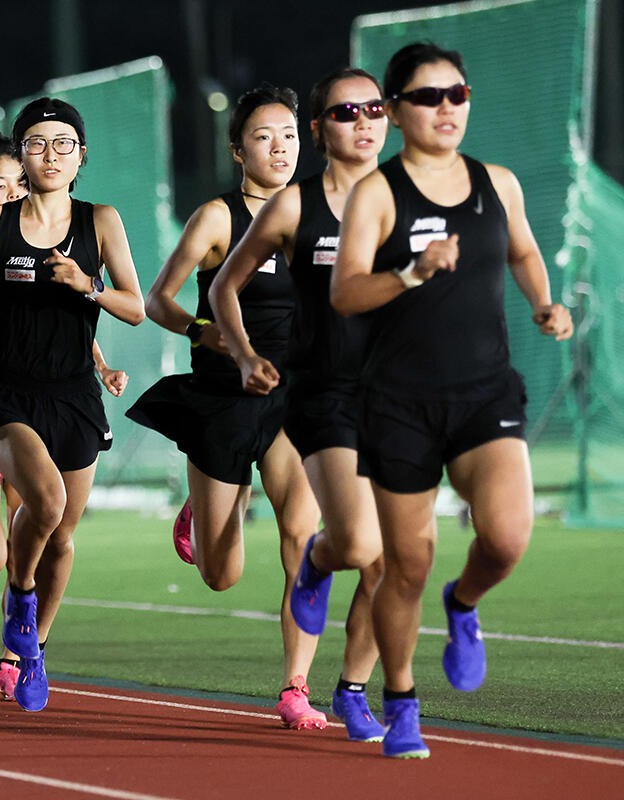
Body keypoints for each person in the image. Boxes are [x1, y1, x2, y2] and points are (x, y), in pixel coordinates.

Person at [331, 42, 572, 759]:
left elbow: (523, 251)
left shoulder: (497, 183)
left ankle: (463, 603)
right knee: (406, 565)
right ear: (396, 110)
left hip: (483, 391)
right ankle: (402, 700)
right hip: (399, 403)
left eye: (457, 94)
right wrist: (412, 272)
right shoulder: (378, 193)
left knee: (507, 537)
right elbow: (346, 292)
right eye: (428, 97)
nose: (446, 108)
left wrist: (544, 302)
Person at [0, 98, 145, 712]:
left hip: (73, 394)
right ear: (21, 155)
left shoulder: (100, 221)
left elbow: (136, 307)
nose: (50, 155)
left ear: (81, 156)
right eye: (37, 144)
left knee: (63, 534)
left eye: (62, 144)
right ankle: (20, 599)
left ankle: (34, 649)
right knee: (44, 502)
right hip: (5, 392)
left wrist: (88, 286)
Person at [125, 85, 330, 730]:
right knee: (222, 575)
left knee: (303, 536)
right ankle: (208, 505)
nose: (280, 148)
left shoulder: (321, 213)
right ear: (238, 150)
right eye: (264, 137)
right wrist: (202, 332)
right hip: (224, 398)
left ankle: (296, 687)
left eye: (289, 135)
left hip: (295, 397)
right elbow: (158, 299)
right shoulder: (218, 218)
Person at [209, 68, 391, 743]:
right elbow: (220, 288)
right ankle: (301, 554)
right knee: (349, 544)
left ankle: (344, 688)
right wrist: (240, 352)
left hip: (393, 398)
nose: (363, 122)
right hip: (315, 395)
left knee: (393, 562)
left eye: (375, 108)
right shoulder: (293, 207)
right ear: (323, 128)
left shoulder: (408, 198)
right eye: (346, 111)